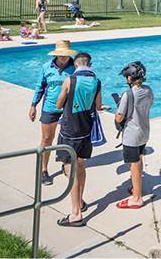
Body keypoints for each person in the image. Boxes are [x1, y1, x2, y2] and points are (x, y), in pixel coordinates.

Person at [55, 52, 109, 227]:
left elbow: (58, 104)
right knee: (80, 166)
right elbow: (98, 106)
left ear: (76, 65)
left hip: (69, 132)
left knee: (70, 172)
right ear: (90, 65)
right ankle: (79, 201)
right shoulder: (96, 82)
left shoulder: (70, 80)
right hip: (86, 132)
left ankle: (75, 213)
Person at [29, 40, 77, 186]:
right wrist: (33, 106)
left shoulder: (75, 67)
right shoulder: (47, 67)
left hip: (68, 110)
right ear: (56, 54)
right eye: (61, 54)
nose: (64, 57)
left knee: (68, 139)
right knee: (47, 139)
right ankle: (44, 169)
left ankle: (66, 164)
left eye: (66, 55)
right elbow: (40, 87)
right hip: (49, 108)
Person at [115, 62, 154, 210]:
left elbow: (119, 117)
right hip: (144, 132)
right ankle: (137, 188)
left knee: (133, 164)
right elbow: (149, 104)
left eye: (126, 77)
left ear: (130, 78)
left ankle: (137, 198)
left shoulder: (128, 94)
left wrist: (120, 103)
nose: (126, 80)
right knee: (139, 159)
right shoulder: (149, 90)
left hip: (132, 136)